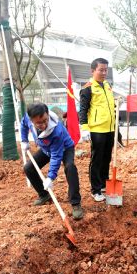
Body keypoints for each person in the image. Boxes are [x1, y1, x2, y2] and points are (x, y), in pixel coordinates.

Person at [21, 103, 84, 220]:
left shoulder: (56, 131)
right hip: (46, 149)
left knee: (70, 167)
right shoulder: (28, 118)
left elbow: (56, 156)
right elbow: (23, 124)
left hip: (65, 148)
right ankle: (44, 195)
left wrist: (50, 177)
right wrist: (24, 140)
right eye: (39, 123)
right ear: (32, 120)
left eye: (45, 120)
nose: (44, 124)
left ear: (48, 114)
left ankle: (76, 203)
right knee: (28, 168)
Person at [79, 57, 115, 202]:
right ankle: (96, 189)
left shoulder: (107, 85)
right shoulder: (88, 87)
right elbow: (83, 109)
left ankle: (104, 182)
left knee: (106, 157)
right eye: (101, 70)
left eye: (106, 70)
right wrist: (84, 128)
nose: (104, 72)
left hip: (110, 128)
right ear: (93, 70)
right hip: (97, 129)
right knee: (97, 159)